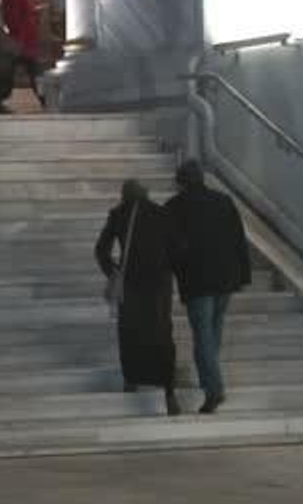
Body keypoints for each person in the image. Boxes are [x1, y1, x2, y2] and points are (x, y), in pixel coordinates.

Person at [164, 159, 252, 415]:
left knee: (203, 335)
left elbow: (169, 248)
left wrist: (170, 275)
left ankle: (214, 389)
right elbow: (238, 239)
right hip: (225, 279)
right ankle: (210, 378)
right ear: (201, 178)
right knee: (213, 333)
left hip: (197, 281)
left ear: (180, 181)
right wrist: (243, 275)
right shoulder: (223, 201)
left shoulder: (173, 207)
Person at [95, 179, 181, 416]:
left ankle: (131, 380)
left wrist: (112, 271)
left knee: (130, 332)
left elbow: (101, 249)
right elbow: (176, 249)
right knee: (162, 333)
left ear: (124, 195)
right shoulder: (162, 214)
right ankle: (169, 392)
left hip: (131, 284)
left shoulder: (118, 214)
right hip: (159, 285)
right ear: (146, 193)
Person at [0, 0, 48, 108]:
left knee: (27, 71)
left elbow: (21, 11)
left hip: (23, 39)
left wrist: (33, 11)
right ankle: (44, 99)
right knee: (30, 71)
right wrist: (18, 36)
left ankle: (44, 99)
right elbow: (12, 15)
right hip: (20, 40)